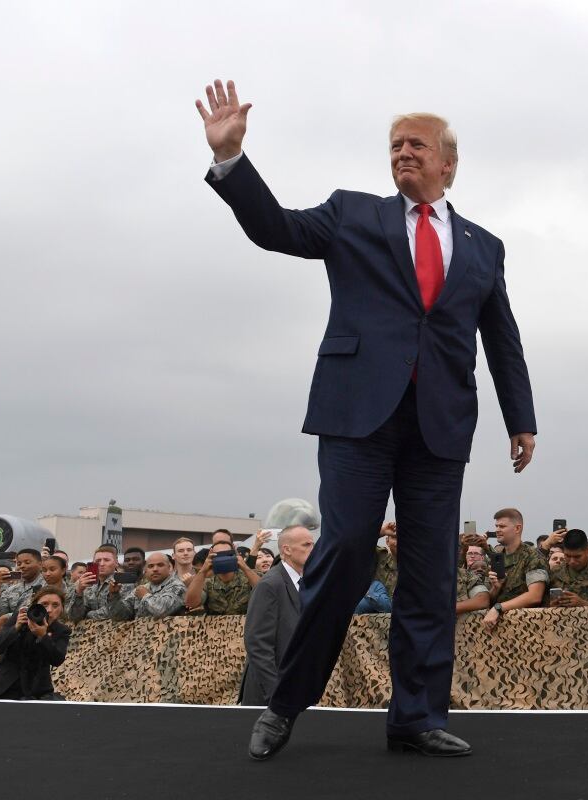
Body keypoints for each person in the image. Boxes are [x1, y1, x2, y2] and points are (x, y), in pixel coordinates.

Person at [199, 80, 536, 759]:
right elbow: (279, 229)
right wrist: (232, 160)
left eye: (416, 145)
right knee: (348, 547)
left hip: (441, 422)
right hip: (358, 414)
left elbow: (501, 335)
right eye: (394, 146)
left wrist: (519, 418)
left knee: (431, 571)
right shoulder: (353, 214)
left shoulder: (483, 245)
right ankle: (286, 702)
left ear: (448, 163)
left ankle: (415, 716)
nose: (402, 153)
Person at [241, 526, 315, 706]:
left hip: (296, 687)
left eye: (313, 544)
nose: (313, 550)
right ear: (287, 550)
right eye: (306, 545)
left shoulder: (303, 582)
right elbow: (257, 643)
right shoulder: (270, 585)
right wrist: (277, 694)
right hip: (270, 694)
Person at [0, 587, 70, 701]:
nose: (49, 610)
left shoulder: (61, 630)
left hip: (36, 690)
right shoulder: (19, 619)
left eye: (55, 605)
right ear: (35, 606)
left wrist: (43, 636)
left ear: (62, 608)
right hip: (3, 687)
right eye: (44, 604)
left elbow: (57, 660)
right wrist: (16, 628)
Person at [483, 509, 546, 629]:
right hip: (498, 628)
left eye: (502, 526)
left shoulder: (533, 557)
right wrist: (496, 588)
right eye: (496, 526)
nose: (497, 530)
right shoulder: (497, 556)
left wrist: (498, 608)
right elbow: (488, 600)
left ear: (517, 528)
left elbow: (535, 595)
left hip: (527, 627)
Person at [184, 539, 260, 615]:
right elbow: (191, 603)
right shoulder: (207, 582)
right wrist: (203, 570)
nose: (223, 559)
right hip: (216, 626)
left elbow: (264, 592)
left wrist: (244, 567)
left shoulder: (249, 576)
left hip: (246, 625)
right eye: (218, 555)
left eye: (227, 554)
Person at [108, 553, 186, 619]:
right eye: (151, 566)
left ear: (169, 568)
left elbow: (161, 611)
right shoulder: (142, 589)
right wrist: (114, 596)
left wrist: (145, 596)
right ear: (146, 570)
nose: (155, 569)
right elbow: (120, 616)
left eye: (160, 565)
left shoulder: (177, 587)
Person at [67, 545, 131, 622]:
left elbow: (121, 615)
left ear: (116, 563)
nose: (101, 564)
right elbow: (74, 617)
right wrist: (79, 592)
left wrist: (88, 614)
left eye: (107, 560)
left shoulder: (124, 582)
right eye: (98, 561)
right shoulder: (89, 585)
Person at [0, 549, 45, 633]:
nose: (22, 566)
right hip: (12, 635)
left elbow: (38, 612)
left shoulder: (47, 586)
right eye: (19, 563)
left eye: (27, 562)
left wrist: (7, 616)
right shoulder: (12, 589)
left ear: (40, 564)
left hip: (35, 632)